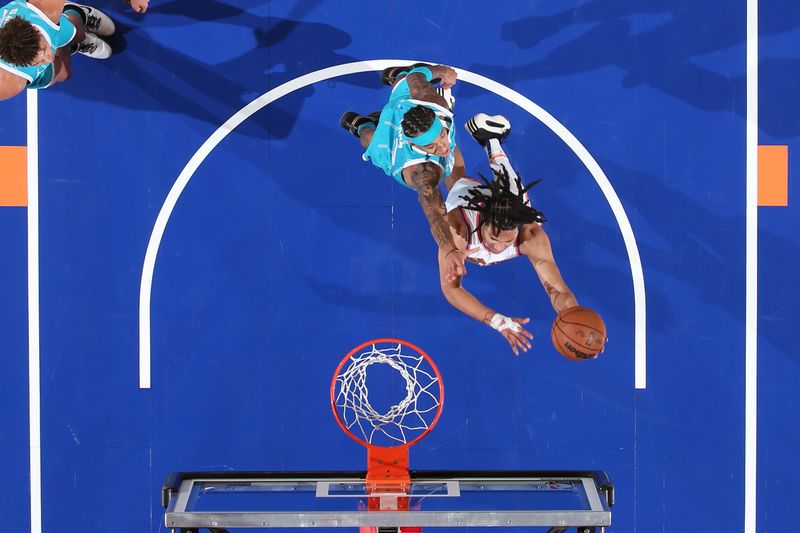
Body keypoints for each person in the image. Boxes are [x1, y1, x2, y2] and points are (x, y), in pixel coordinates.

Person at [439, 113, 579, 356]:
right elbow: (450, 288)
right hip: (467, 200)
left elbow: (556, 290)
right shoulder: (459, 231)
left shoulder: (530, 236)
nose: (498, 248)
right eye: (494, 239)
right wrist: (495, 320)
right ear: (485, 226)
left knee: (516, 199)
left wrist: (572, 312)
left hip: (510, 209)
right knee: (454, 178)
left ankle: (491, 141)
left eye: (507, 241)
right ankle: (488, 140)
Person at [340, 63, 468, 282]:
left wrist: (442, 71)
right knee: (370, 139)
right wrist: (449, 250)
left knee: (407, 78)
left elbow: (418, 74)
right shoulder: (422, 172)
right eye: (432, 147)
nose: (443, 146)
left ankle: (397, 74)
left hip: (405, 105)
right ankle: (361, 124)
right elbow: (434, 213)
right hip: (394, 148)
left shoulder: (432, 100)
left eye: (441, 136)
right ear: (415, 144)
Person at [0, 0, 135, 100]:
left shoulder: (44, 6)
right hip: (29, 72)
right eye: (37, 62)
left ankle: (75, 12)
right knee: (66, 73)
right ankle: (71, 46)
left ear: (35, 30)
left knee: (79, 34)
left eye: (44, 50)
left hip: (49, 22)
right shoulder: (9, 83)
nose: (50, 58)